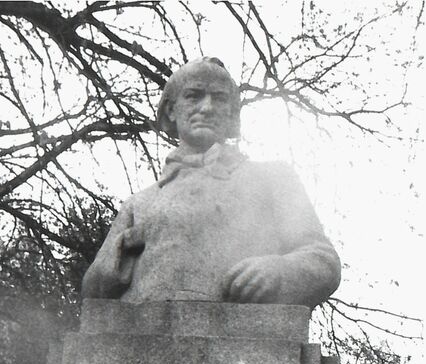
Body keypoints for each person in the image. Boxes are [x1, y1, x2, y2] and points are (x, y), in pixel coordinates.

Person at [82, 57, 341, 309]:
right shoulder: (140, 204)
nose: (207, 107)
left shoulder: (273, 179)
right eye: (193, 96)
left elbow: (324, 262)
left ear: (232, 115)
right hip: (140, 342)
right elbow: (93, 292)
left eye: (219, 98)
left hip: (245, 340)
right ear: (171, 110)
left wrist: (280, 271)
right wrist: (123, 252)